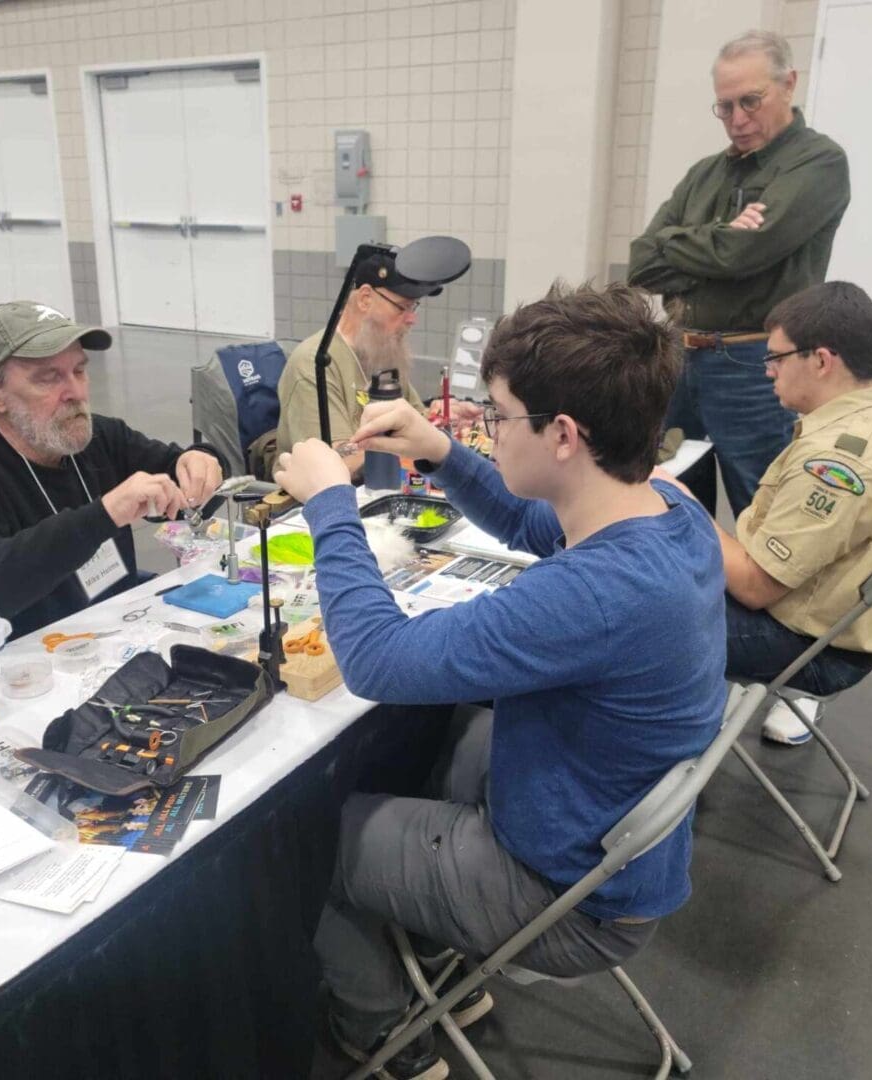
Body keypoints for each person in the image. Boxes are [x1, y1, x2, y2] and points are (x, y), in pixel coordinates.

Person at [274, 283, 727, 1080]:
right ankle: (447, 971)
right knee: (454, 736)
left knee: (298, 843)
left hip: (572, 898)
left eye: (497, 415)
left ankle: (384, 1036)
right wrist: (442, 452)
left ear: (562, 433)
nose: (485, 427)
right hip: (610, 839)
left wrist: (331, 507)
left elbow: (376, 658)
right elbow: (530, 523)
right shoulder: (668, 510)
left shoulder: (590, 596)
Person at [660, 282, 872, 745]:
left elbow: (755, 587)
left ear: (821, 360)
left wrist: (681, 502)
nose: (767, 370)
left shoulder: (838, 464)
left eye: (775, 357)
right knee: (653, 583)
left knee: (630, 621)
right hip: (823, 620)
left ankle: (652, 762)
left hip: (810, 646)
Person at [629, 29, 850, 515]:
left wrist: (685, 242)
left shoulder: (818, 163)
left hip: (756, 366)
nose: (738, 120)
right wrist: (717, 235)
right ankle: (693, 590)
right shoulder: (705, 173)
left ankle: (766, 594)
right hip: (680, 357)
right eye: (725, 107)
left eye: (751, 101)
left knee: (763, 508)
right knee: (667, 496)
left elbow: (741, 255)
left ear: (789, 84)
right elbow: (642, 262)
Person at [0, 301, 224, 639]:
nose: (76, 393)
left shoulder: (99, 438)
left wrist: (202, 462)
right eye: (49, 378)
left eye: (79, 371)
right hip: (32, 666)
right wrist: (102, 516)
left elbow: (182, 487)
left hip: (119, 632)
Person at [274, 251, 434, 472]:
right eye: (402, 307)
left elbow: (419, 419)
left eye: (413, 307)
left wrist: (443, 415)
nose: (412, 318)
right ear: (365, 299)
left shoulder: (382, 350)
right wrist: (413, 444)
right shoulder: (314, 364)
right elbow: (337, 462)